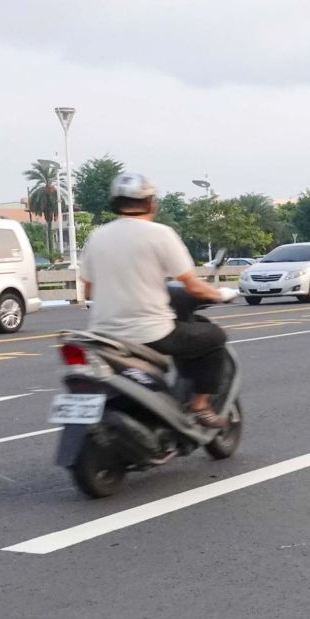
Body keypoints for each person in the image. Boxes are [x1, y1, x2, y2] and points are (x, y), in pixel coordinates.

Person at [79, 173, 233, 429]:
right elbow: (193, 285)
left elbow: (89, 292)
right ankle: (199, 405)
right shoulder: (161, 234)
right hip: (151, 333)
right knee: (214, 336)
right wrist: (221, 294)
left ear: (115, 203)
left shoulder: (97, 236)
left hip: (103, 334)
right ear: (151, 202)